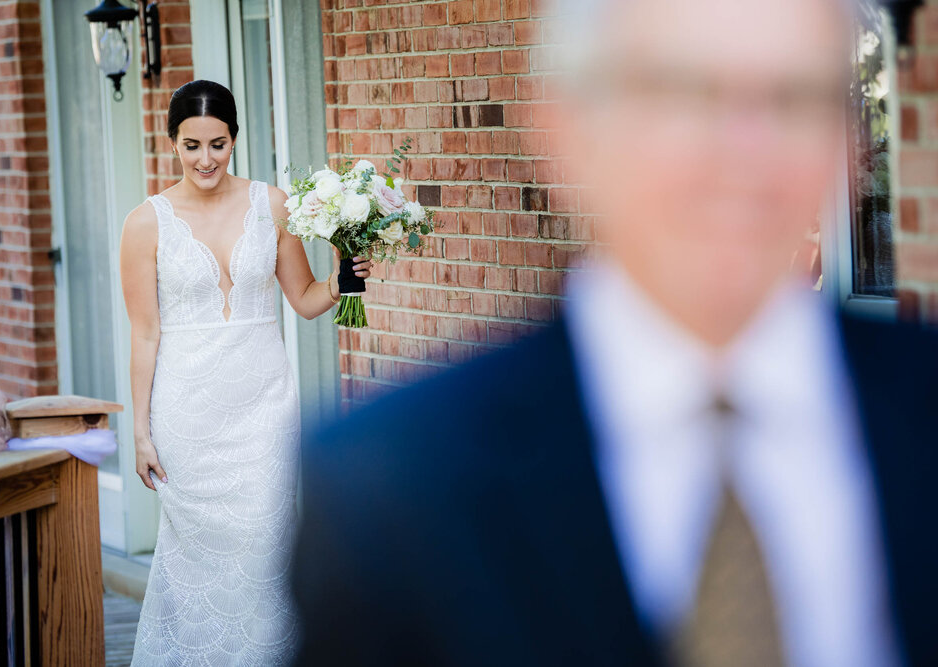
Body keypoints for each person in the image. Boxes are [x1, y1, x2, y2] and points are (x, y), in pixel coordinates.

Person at [292, 0, 938, 665]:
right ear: (567, 129)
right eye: (685, 93)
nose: (746, 150)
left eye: (796, 98)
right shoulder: (388, 490)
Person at [119, 79, 373, 666]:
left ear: (234, 138)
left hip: (264, 407)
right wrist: (142, 433)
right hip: (188, 416)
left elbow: (305, 298)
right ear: (172, 144)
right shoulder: (144, 223)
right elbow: (145, 334)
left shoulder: (273, 203)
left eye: (217, 143)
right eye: (191, 146)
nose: (205, 159)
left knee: (269, 547)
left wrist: (344, 279)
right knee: (197, 563)